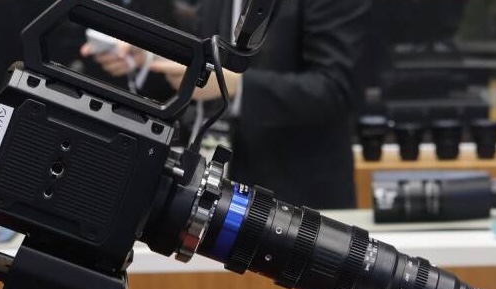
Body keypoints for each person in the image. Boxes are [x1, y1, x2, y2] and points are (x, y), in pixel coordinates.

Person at [145, 0, 371, 210]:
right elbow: (202, 54)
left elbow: (335, 88)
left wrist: (238, 86)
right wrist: (149, 56)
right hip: (214, 192)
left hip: (299, 200)